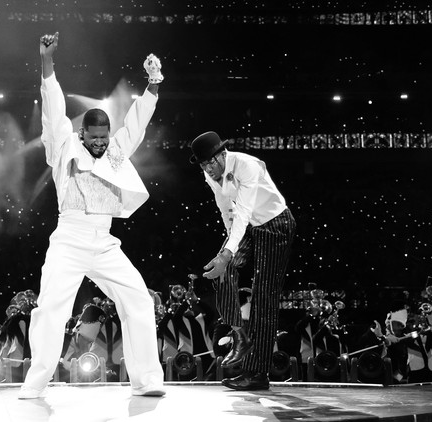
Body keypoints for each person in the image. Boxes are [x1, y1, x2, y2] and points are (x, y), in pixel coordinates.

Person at [19, 32, 165, 399]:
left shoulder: (115, 152)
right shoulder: (64, 148)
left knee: (138, 301)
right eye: (94, 137)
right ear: (82, 133)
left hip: (104, 242)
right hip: (68, 240)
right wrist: (47, 62)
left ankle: (146, 381)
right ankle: (35, 384)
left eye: (104, 137)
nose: (100, 144)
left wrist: (153, 85)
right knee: (51, 307)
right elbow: (53, 110)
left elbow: (137, 124)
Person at [189, 131, 296, 391]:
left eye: (210, 163)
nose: (207, 170)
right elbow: (226, 208)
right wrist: (227, 250)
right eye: (202, 165)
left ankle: (257, 374)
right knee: (222, 272)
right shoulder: (210, 172)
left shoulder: (246, 166)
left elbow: (244, 211)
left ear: (222, 155)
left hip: (275, 225)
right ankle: (239, 335)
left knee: (263, 298)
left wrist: (227, 253)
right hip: (247, 227)